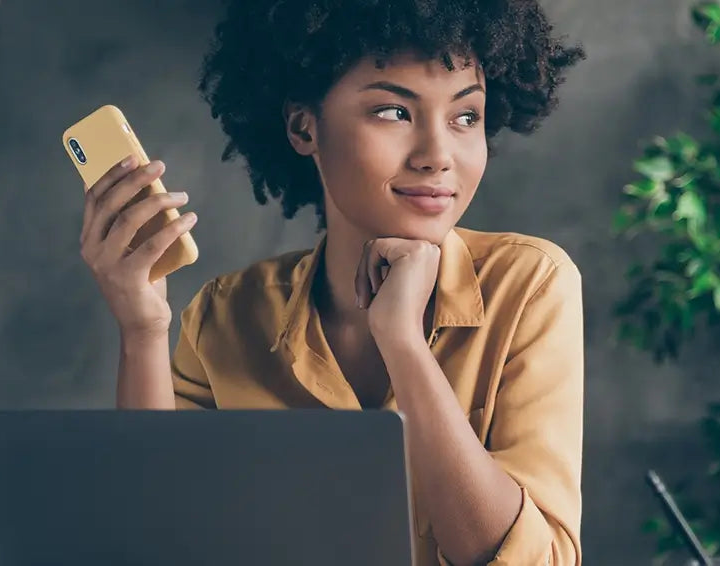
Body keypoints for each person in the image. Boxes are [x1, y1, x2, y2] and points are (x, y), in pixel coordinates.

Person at [75, 1, 587, 564]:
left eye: (466, 117)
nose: (438, 156)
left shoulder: (530, 285)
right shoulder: (226, 315)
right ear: (304, 127)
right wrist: (143, 330)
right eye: (393, 112)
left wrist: (404, 346)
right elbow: (153, 538)